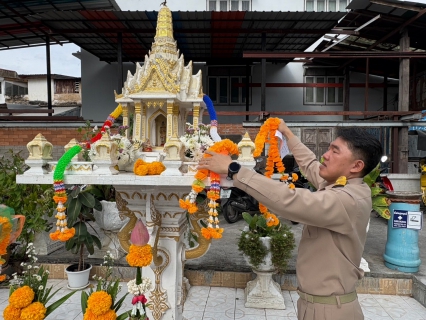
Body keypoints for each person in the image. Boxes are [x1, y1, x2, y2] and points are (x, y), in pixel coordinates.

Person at [198, 119, 383, 320]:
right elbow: (310, 164)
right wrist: (287, 133)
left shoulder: (348, 200)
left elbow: (290, 200)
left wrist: (235, 170)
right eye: (329, 149)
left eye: (335, 151)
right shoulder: (341, 185)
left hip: (331, 311)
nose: (326, 155)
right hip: (315, 304)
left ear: (356, 165)